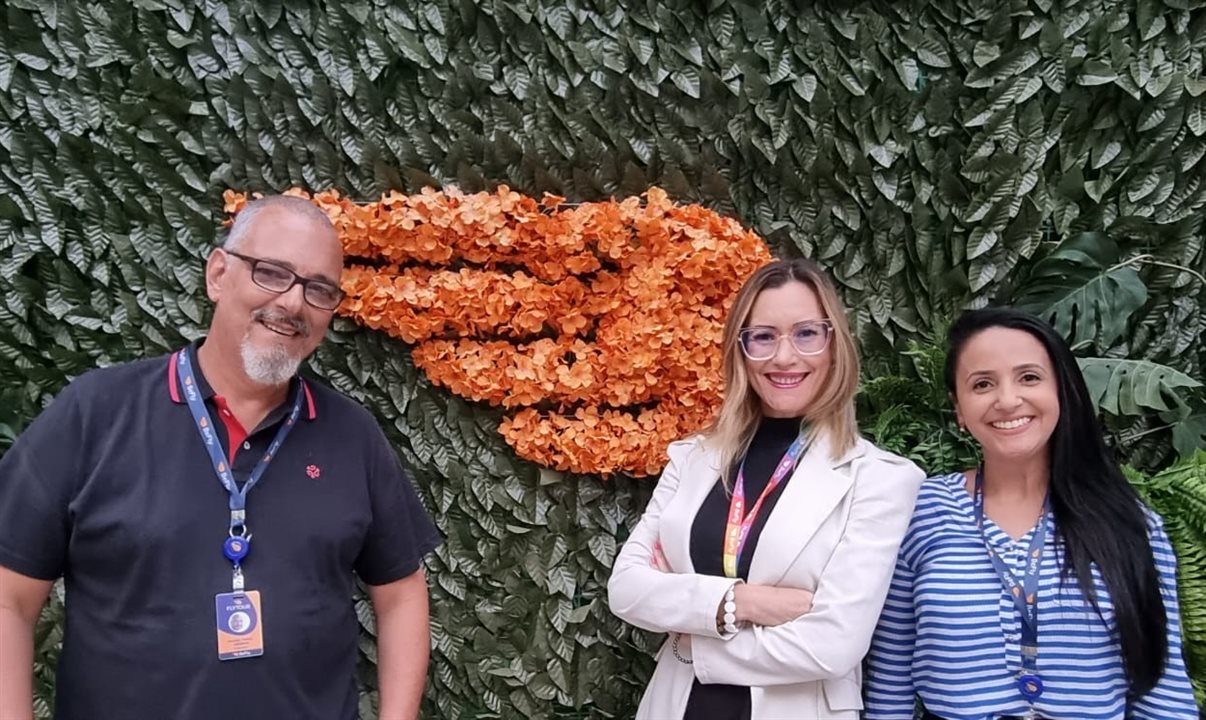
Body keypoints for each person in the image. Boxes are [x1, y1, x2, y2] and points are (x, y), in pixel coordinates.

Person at [0, 195, 442, 720]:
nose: (294, 304)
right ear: (218, 274)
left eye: (318, 289)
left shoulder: (352, 435)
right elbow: (8, 597)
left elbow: (401, 594)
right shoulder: (96, 413)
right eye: (272, 273)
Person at [607, 258, 925, 720]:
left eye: (806, 333)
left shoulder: (880, 478)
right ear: (741, 350)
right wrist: (742, 603)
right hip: (676, 706)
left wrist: (693, 638)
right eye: (763, 336)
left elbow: (833, 645)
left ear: (835, 345)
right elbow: (628, 588)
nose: (783, 357)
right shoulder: (692, 459)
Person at [864, 307, 1198, 719]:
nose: (1007, 400)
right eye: (982, 384)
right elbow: (889, 677)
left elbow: (1162, 690)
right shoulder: (922, 510)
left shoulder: (1130, 522)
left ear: (1062, 390)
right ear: (959, 409)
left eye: (1029, 377)